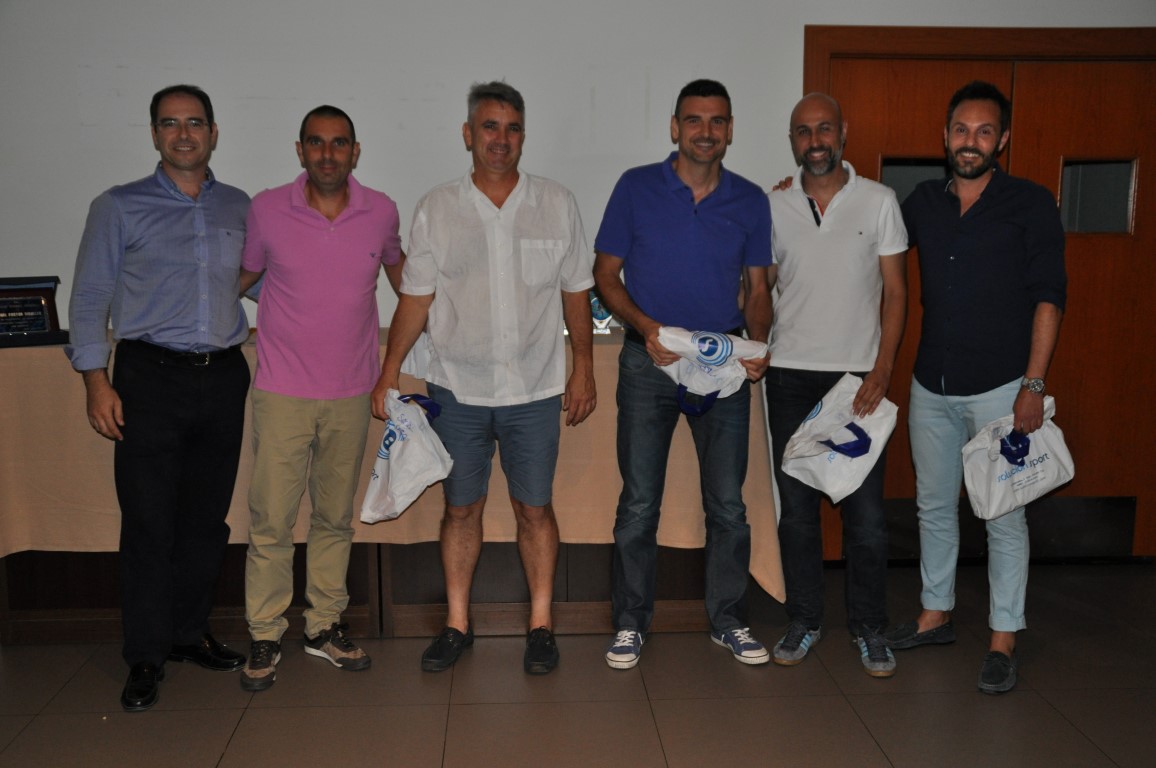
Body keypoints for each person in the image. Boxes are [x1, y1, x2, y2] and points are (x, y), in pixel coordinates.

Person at [371, 81, 596, 675]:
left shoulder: (557, 202)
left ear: (524, 136)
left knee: (534, 510)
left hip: (535, 389)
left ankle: (541, 626)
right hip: (457, 389)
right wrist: (389, 373)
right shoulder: (437, 207)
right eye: (490, 126)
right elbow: (415, 299)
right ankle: (456, 624)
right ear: (468, 134)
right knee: (460, 510)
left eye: (512, 127)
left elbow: (577, 292)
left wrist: (584, 370)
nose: (501, 138)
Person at [66, 85, 250, 712]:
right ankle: (145, 654)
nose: (183, 134)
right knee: (148, 522)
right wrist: (96, 379)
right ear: (154, 134)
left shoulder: (240, 206)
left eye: (194, 122)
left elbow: (263, 281)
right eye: (170, 123)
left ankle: (188, 634)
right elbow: (90, 297)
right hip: (147, 377)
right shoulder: (118, 206)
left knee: (206, 520)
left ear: (213, 132)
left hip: (223, 376)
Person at [885, 81, 1066, 694]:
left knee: (1003, 516)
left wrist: (1033, 385)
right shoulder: (922, 202)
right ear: (945, 135)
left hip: (1002, 390)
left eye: (984, 132)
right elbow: (872, 239)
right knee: (933, 507)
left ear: (1002, 140)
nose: (971, 142)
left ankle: (1003, 637)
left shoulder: (1030, 203)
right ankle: (935, 615)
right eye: (961, 130)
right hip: (931, 385)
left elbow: (1050, 297)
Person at [593, 79, 773, 669]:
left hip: (723, 366)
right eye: (694, 120)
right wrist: (647, 328)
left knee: (728, 506)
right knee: (639, 503)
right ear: (675, 127)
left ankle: (729, 621)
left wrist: (759, 345)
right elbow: (605, 274)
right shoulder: (635, 186)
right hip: (649, 362)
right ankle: (630, 624)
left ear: (730, 130)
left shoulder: (751, 200)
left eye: (717, 121)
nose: (705, 131)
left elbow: (758, 289)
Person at [237, 106, 404, 691]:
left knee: (334, 518)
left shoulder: (381, 211)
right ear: (300, 150)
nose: (327, 154)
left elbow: (405, 280)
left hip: (353, 391)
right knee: (271, 520)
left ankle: (323, 627)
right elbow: (242, 278)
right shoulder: (266, 209)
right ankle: (265, 632)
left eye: (339, 144)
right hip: (281, 391)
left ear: (355, 151)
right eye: (316, 143)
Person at [764, 93, 907, 677]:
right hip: (789, 377)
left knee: (865, 518)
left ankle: (870, 628)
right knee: (796, 513)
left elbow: (896, 292)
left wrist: (882, 370)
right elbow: (759, 287)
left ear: (843, 132)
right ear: (792, 140)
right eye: (803, 131)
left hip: (857, 384)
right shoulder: (773, 206)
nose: (815, 140)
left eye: (824, 129)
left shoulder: (879, 201)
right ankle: (804, 619)